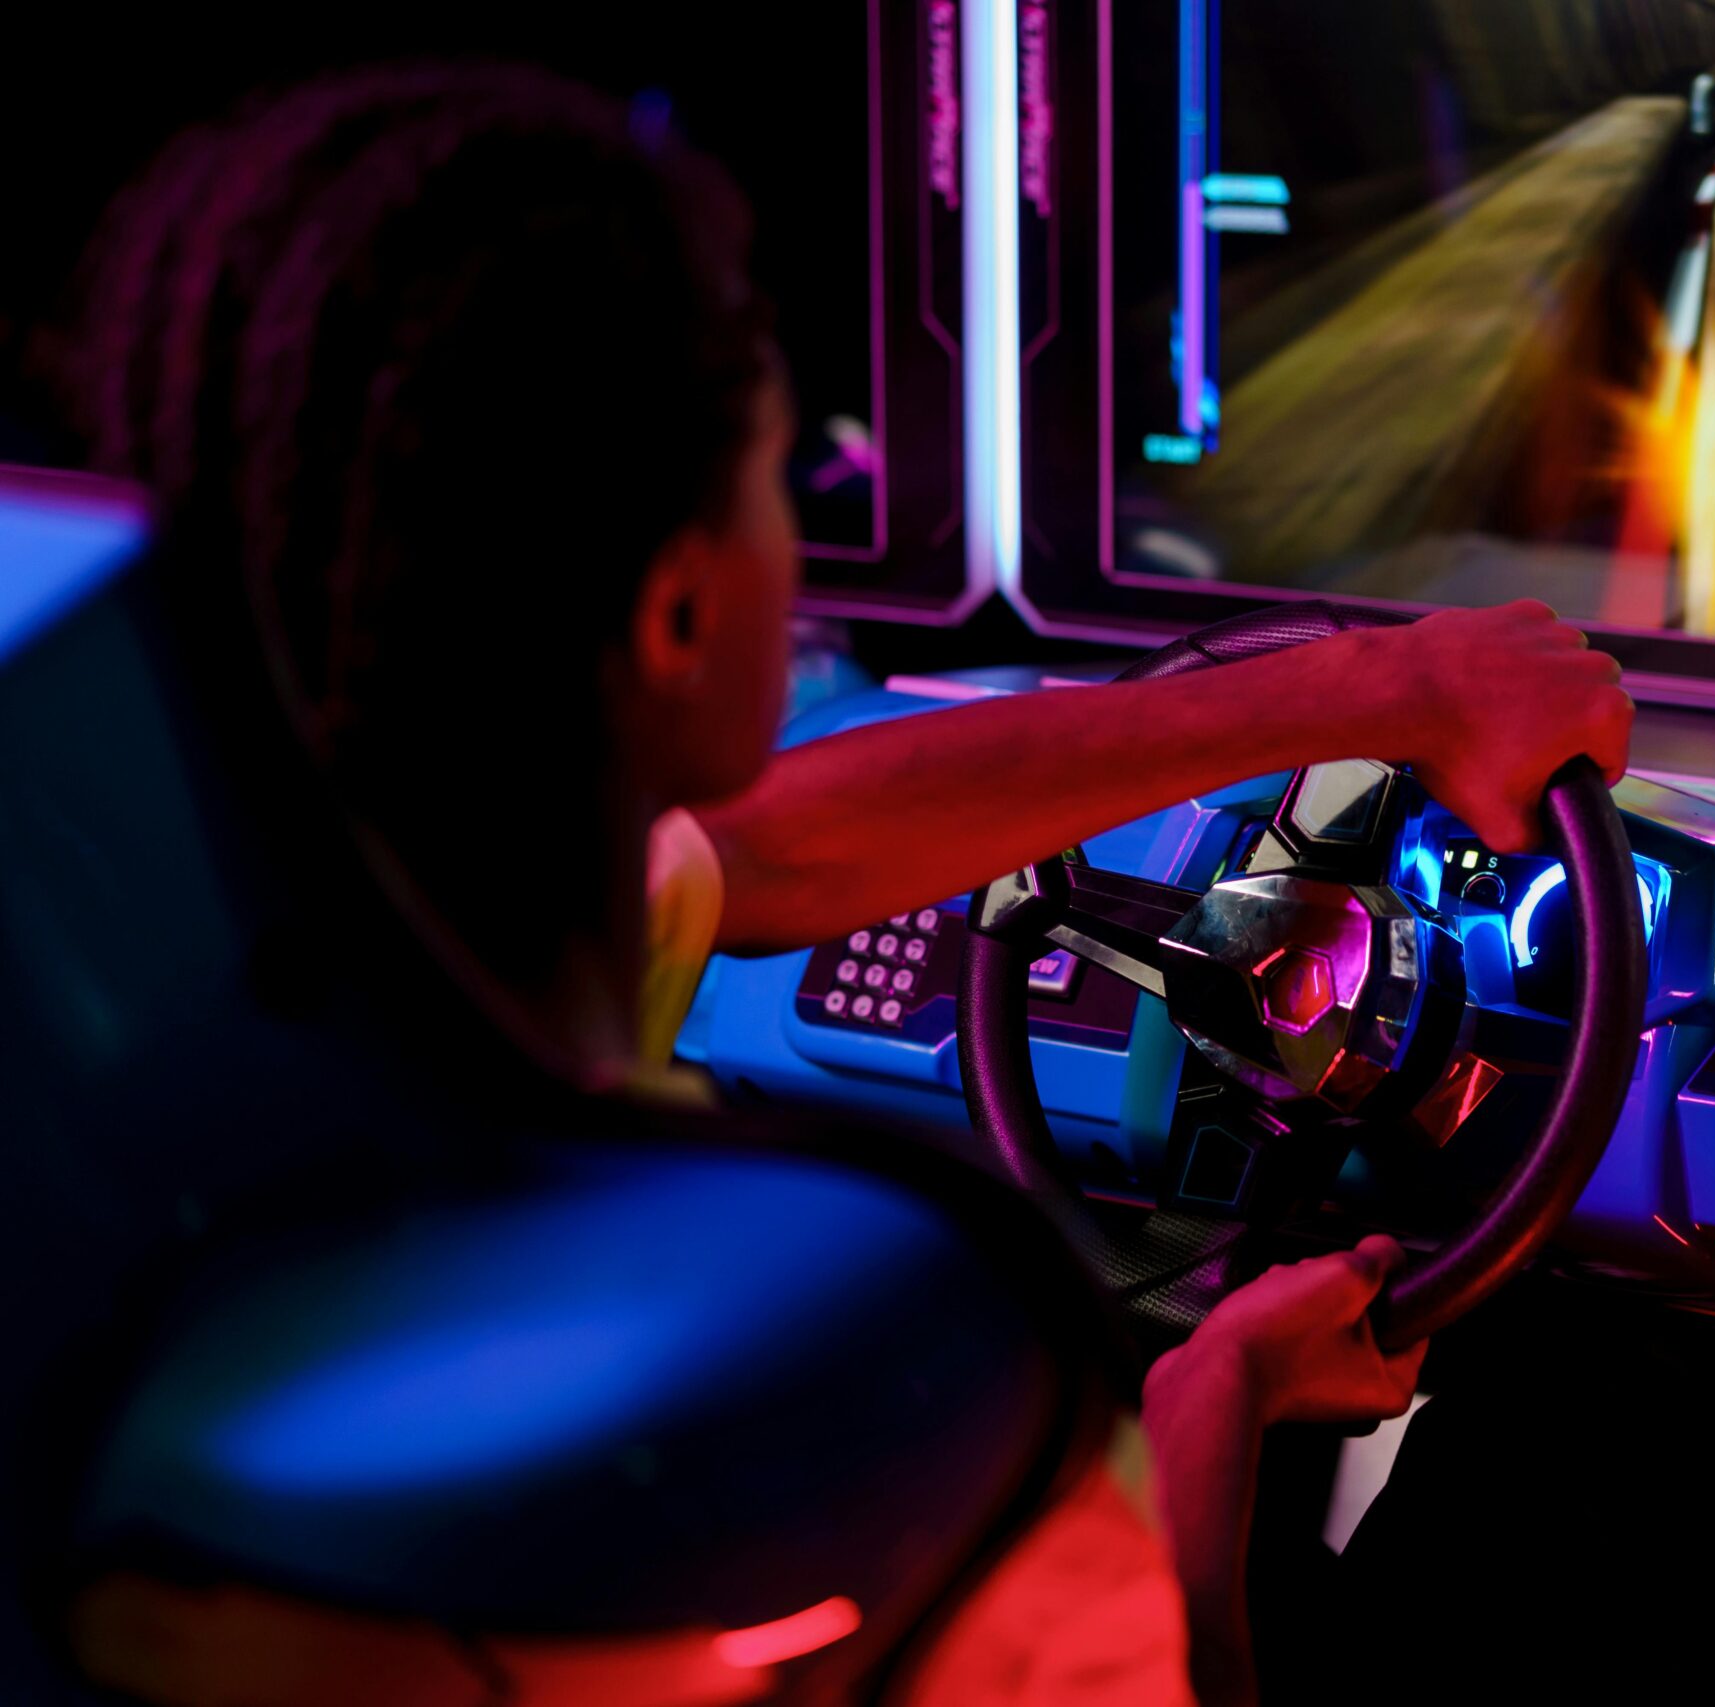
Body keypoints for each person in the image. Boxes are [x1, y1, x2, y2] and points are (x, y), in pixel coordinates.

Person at [69, 63, 1635, 1705]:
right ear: (679, 617)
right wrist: (1212, 1400)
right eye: (774, 476)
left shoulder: (261, 1011)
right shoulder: (874, 1376)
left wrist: (1382, 688)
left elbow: (765, 847)